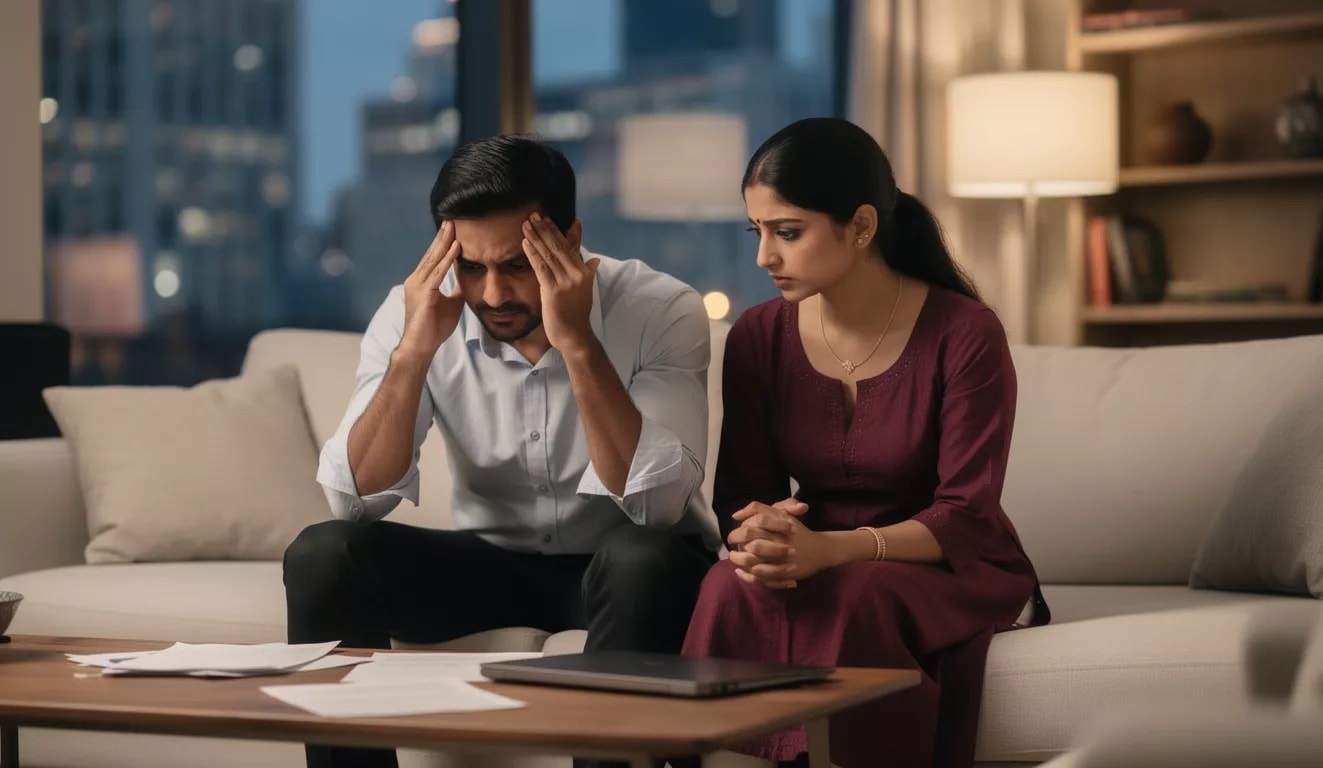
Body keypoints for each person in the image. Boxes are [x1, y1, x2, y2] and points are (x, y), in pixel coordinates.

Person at [285, 134, 720, 768]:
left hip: (631, 569)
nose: (491, 296)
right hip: (490, 564)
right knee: (323, 553)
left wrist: (578, 342)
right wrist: (413, 353)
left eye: (517, 266)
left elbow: (656, 506)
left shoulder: (660, 309)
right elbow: (353, 502)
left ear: (570, 241)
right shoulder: (417, 311)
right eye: (470, 267)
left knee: (639, 558)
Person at [679, 117, 1050, 768]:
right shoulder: (758, 337)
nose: (764, 257)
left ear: (861, 226)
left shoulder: (966, 333)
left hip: (948, 566)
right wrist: (765, 534)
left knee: (857, 595)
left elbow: (965, 516)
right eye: (756, 232)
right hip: (818, 554)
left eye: (787, 232)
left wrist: (832, 549)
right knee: (726, 586)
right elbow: (741, 494)